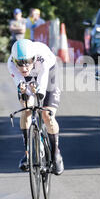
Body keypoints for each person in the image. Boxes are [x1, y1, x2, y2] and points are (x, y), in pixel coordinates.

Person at [8, 39, 64, 175]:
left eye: (27, 62)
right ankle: (28, 153)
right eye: (19, 64)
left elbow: (42, 88)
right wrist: (24, 92)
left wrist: (37, 91)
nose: (24, 67)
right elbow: (21, 86)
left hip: (49, 74)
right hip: (27, 80)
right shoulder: (10, 64)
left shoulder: (43, 59)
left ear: (34, 58)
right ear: (14, 61)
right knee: (26, 109)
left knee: (47, 114)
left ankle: (56, 152)